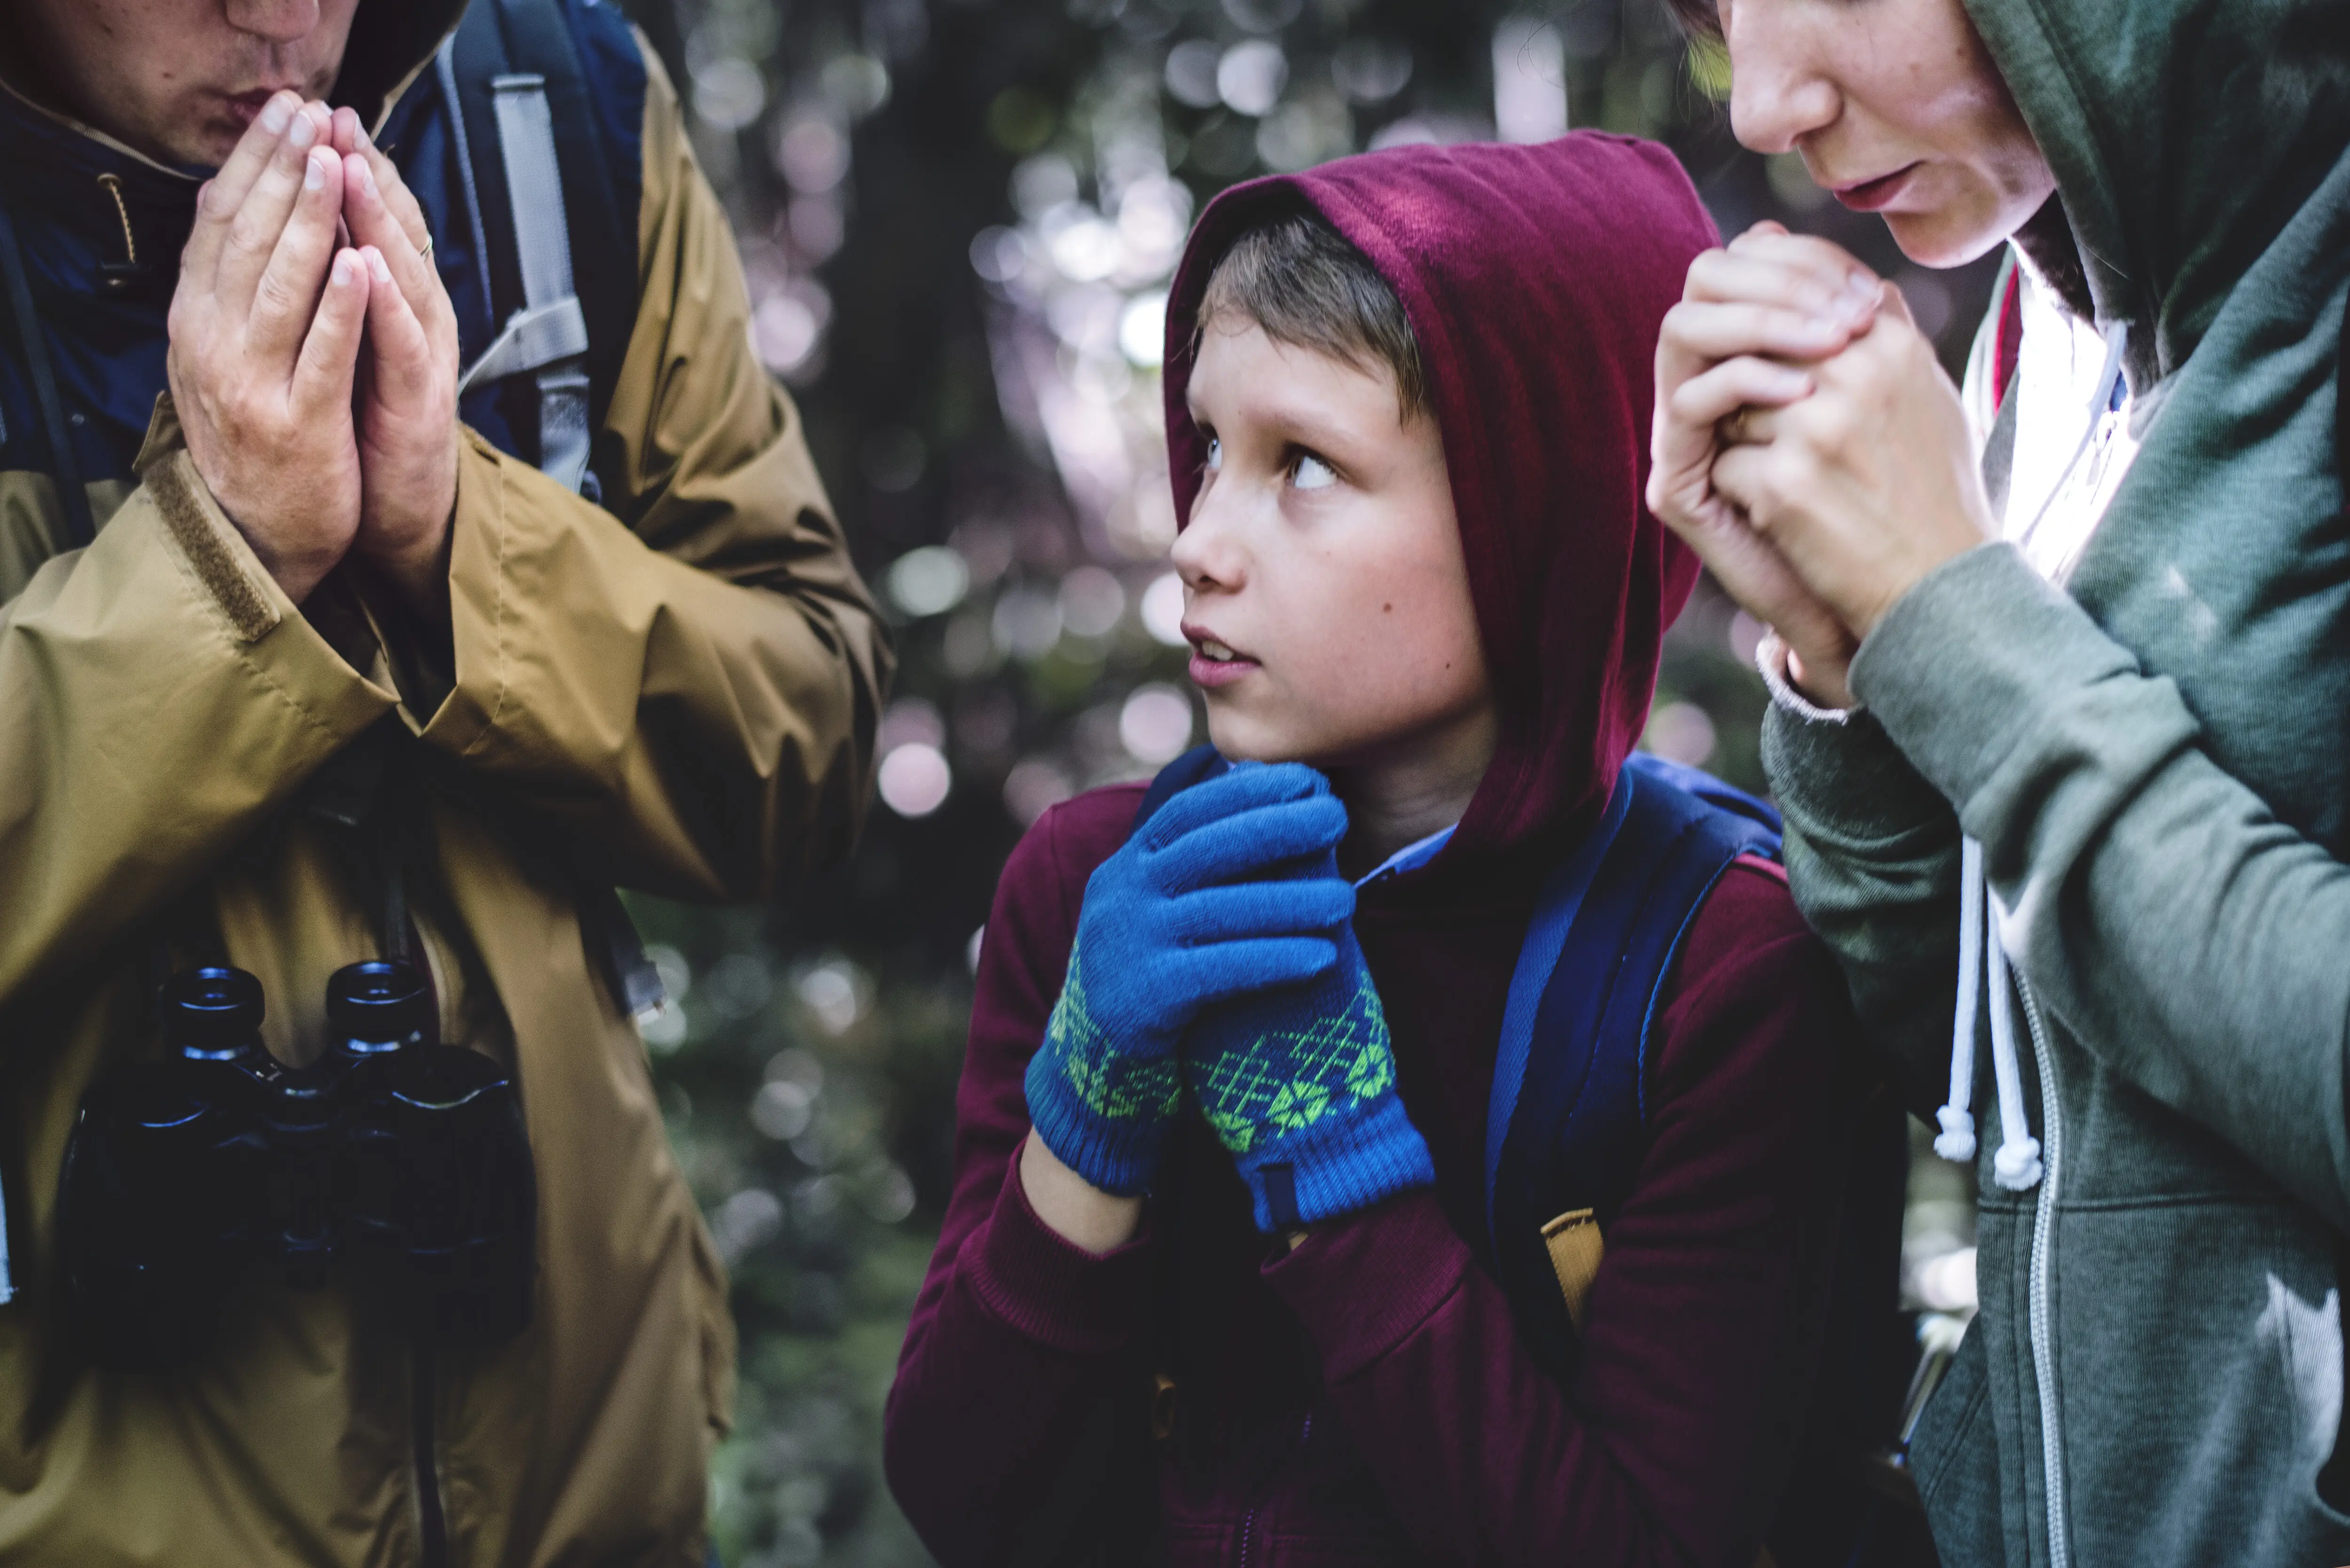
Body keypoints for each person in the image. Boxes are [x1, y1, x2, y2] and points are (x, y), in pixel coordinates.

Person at [884, 134, 1883, 1567]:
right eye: (1211, 448)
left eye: (1304, 466)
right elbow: (967, 1505)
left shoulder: (1721, 971)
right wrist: (1086, 1117)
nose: (1199, 543)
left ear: (1530, 517)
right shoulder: (1104, 896)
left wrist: (1340, 1169)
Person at [0, 0, 888, 1561]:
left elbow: (804, 746)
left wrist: (458, 541)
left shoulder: (563, 104)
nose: (282, 16)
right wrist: (227, 568)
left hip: (596, 1491)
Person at [1645, 0, 2350, 1564]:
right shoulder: (2045, 349)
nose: (1761, 100)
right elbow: (2017, 1082)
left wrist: (1949, 616)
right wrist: (1848, 666)